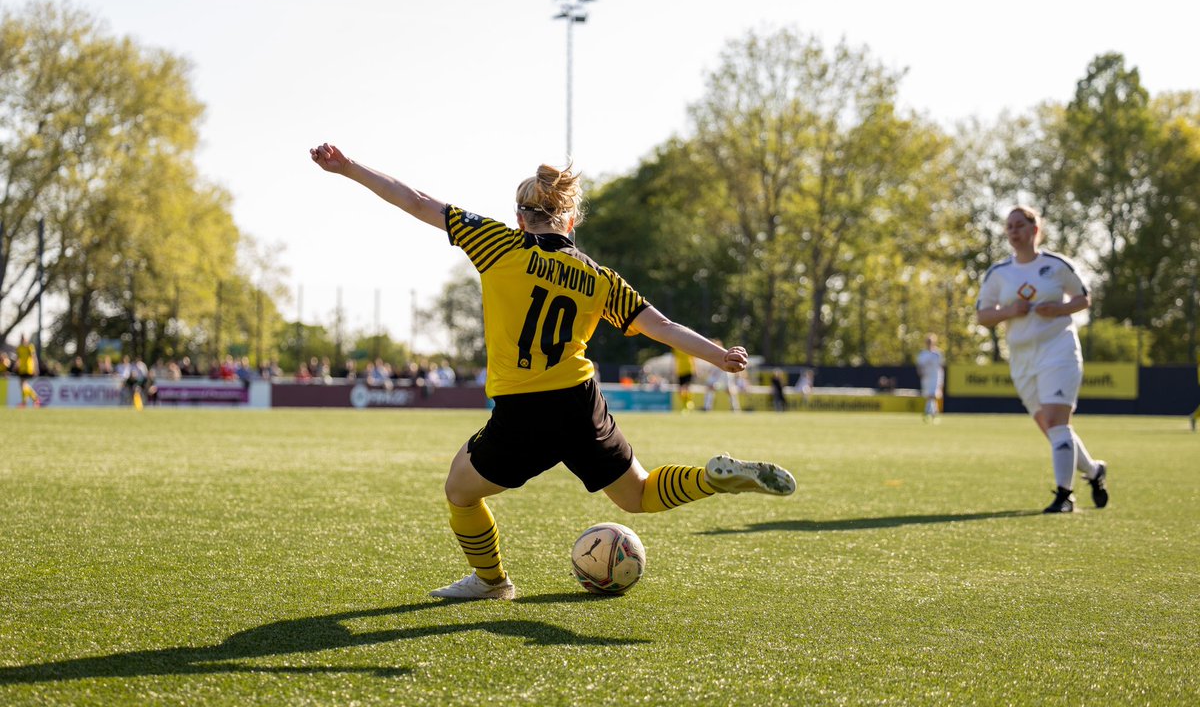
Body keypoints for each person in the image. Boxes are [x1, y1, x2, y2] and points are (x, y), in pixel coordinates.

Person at [310, 142, 796, 600]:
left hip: (524, 410)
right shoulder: (598, 277)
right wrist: (720, 356)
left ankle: (492, 581)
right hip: (582, 400)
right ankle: (713, 479)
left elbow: (416, 201)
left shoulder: (498, 244)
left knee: (459, 490)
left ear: (521, 218)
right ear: (571, 221)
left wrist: (348, 167)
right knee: (639, 494)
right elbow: (663, 327)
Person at [975, 206, 1108, 513]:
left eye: (1019, 225)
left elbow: (1084, 297)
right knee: (1050, 426)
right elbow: (983, 316)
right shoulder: (999, 273)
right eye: (1009, 227)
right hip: (1022, 359)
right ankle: (1094, 470)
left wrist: (1059, 309)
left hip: (1058, 351)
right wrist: (1009, 311)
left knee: (1058, 422)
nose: (1013, 231)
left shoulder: (1056, 265)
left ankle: (1065, 496)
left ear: (1035, 229)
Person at [916, 333, 945, 422]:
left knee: (932, 395)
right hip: (926, 378)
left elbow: (941, 366)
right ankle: (934, 413)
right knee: (929, 396)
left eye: (930, 341)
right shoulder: (922, 354)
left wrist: (942, 379)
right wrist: (920, 373)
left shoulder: (938, 354)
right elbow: (919, 366)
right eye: (927, 341)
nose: (929, 343)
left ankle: (927, 412)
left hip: (935, 377)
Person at [15, 334, 42, 408]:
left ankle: (26, 402)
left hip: (29, 369)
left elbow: (34, 357)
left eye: (23, 338)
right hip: (21, 369)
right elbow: (18, 358)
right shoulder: (19, 348)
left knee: (23, 385)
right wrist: (16, 366)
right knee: (23, 385)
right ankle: (35, 399)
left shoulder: (29, 347)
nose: (22, 340)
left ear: (25, 339)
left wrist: (36, 368)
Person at [673, 347, 695, 411]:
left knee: (685, 387)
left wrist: (696, 369)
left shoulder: (688, 346)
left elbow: (693, 358)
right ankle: (685, 404)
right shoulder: (675, 347)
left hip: (688, 369)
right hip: (680, 371)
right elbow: (675, 360)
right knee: (680, 391)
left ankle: (689, 403)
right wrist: (674, 370)